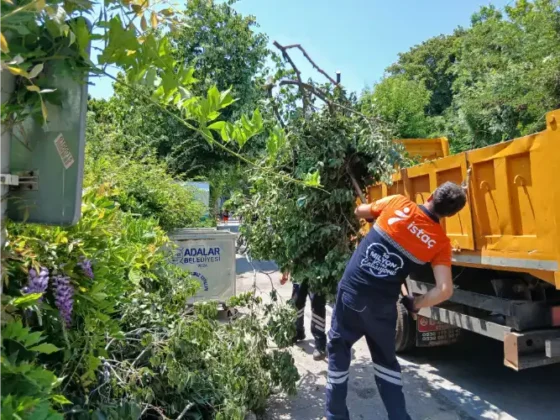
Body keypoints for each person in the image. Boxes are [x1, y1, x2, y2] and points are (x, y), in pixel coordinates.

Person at [325, 182, 467, 420]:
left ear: (431, 195)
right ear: (450, 215)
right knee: (386, 364)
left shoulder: (398, 203)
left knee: (338, 350)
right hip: (382, 306)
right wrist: (415, 303)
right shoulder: (440, 243)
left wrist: (374, 216)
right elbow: (444, 290)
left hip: (352, 294)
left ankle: (335, 415)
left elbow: (359, 211)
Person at [281, 272, 327, 360]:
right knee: (296, 301)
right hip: (300, 271)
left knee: (317, 305)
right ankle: (297, 331)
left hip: (317, 273)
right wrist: (285, 271)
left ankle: (320, 344)